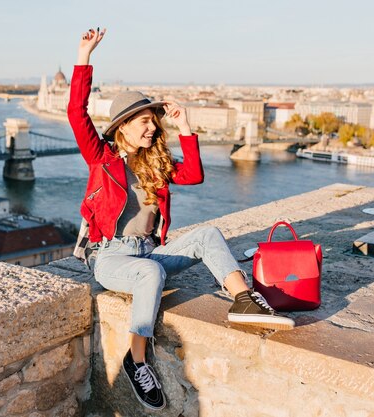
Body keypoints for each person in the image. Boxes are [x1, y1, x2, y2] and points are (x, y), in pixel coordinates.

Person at [68, 27, 295, 411]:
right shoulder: (100, 158)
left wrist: (185, 127)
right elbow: (76, 112)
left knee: (208, 234)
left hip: (149, 252)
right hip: (110, 257)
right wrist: (84, 55)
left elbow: (194, 175)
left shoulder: (154, 163)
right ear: (122, 126)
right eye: (144, 121)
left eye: (154, 120)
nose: (152, 126)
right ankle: (137, 360)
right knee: (150, 275)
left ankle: (243, 300)